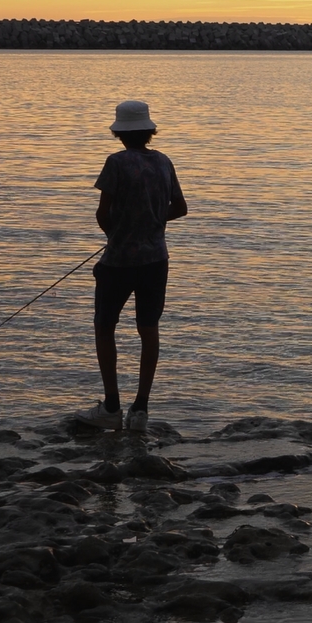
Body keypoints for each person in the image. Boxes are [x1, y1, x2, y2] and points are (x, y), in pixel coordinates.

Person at [75, 99, 188, 433]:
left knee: (104, 327)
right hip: (156, 260)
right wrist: (151, 222)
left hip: (119, 262)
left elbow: (102, 213)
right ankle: (140, 410)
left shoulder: (116, 163)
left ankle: (112, 406)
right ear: (149, 131)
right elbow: (180, 208)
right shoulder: (164, 162)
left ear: (119, 132)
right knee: (148, 329)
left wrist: (118, 233)